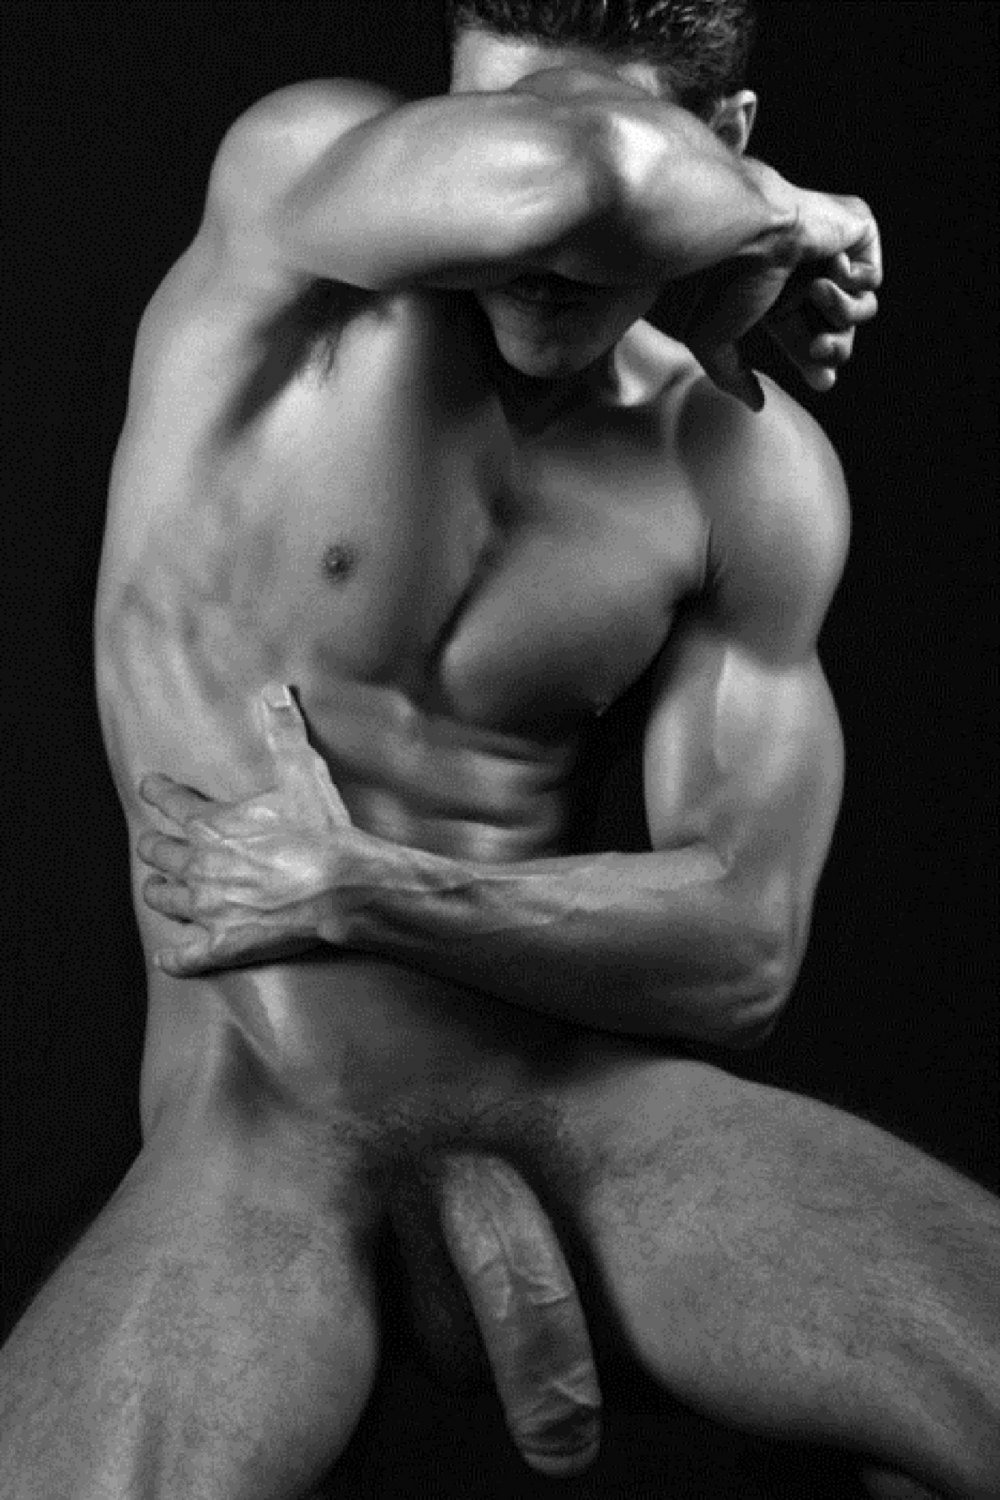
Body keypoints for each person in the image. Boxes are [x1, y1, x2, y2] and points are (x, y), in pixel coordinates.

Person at [1, 2, 997, 1497]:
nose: (535, 235)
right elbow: (586, 177)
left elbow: (741, 954)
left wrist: (365, 888)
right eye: (494, 113)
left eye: (609, 111)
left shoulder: (745, 467)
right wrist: (798, 213)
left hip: (583, 1113)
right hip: (257, 1130)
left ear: (721, 138)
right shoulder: (299, 221)